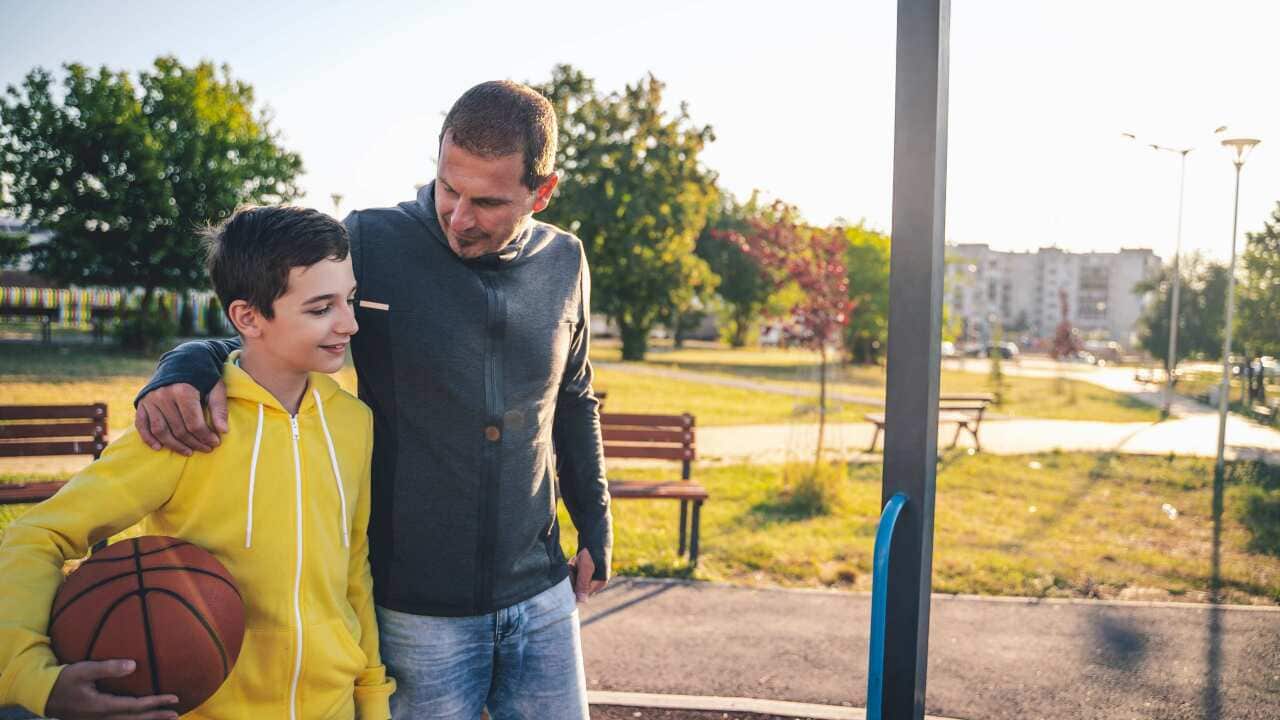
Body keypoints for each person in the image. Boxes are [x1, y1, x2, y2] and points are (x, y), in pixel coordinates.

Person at [133, 81, 612, 719]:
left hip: (543, 594)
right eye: (449, 188)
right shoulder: (372, 240)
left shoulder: (566, 260)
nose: (458, 217)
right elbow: (273, 318)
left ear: (541, 191)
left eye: (488, 201)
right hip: (416, 610)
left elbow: (574, 397)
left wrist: (596, 521)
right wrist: (186, 362)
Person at [0, 206, 395, 720]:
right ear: (247, 317)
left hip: (333, 708)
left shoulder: (352, 422)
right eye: (321, 308)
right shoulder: (183, 425)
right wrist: (32, 678)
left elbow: (353, 570)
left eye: (349, 299)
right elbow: (35, 537)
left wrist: (371, 698)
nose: (349, 322)